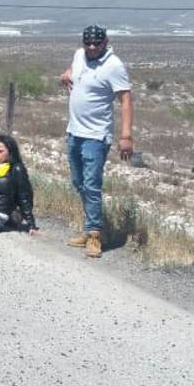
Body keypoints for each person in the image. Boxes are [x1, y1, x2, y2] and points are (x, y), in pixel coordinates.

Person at [59, 24, 133, 258]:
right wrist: (67, 73)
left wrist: (126, 136)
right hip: (74, 131)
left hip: (96, 136)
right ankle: (88, 226)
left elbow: (126, 101)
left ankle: (94, 235)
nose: (91, 48)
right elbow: (74, 68)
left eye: (96, 43)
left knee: (91, 185)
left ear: (106, 42)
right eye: (87, 43)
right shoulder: (80, 55)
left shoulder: (114, 66)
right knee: (78, 183)